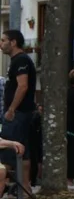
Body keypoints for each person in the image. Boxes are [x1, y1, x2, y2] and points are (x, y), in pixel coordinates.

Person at [0, 29, 36, 185]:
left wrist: (11, 109)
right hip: (22, 113)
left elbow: (22, 86)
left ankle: (5, 185)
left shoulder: (20, 60)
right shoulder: (18, 60)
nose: (0, 44)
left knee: (8, 151)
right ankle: (25, 187)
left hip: (17, 113)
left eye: (3, 40)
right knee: (22, 151)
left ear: (13, 42)